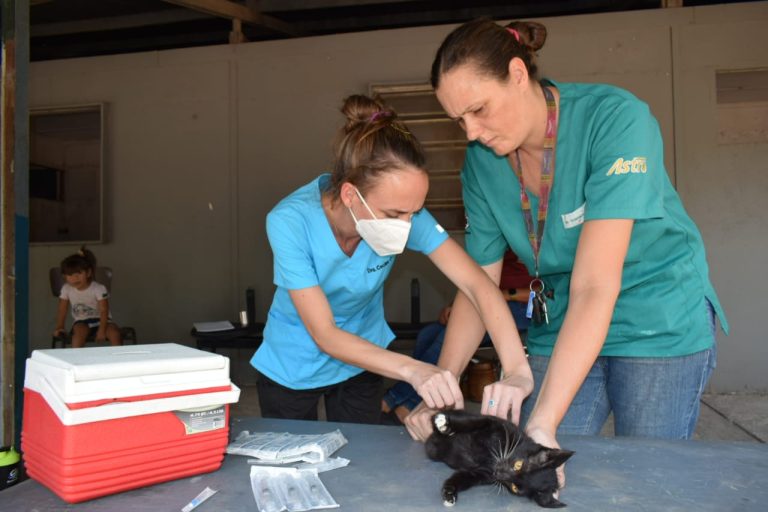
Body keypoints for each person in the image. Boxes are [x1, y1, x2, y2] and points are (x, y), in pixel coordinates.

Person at [406, 17, 729, 466]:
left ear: (518, 74)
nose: (471, 133)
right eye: (459, 119)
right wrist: (441, 386)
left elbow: (595, 285)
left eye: (479, 110)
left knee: (647, 472)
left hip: (655, 316)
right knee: (528, 463)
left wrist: (544, 421)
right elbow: (477, 285)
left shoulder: (615, 120)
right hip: (561, 318)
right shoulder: (481, 162)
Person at [250, 94, 532, 425]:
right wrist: (414, 370)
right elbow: (324, 333)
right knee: (294, 455)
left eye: (414, 212)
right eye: (394, 214)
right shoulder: (290, 222)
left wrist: (516, 369)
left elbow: (477, 284)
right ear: (350, 195)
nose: (407, 225)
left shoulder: (405, 211)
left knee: (364, 452)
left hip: (365, 360)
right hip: (292, 364)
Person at [381, 250, 532, 423]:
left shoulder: (532, 250)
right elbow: (474, 283)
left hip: (523, 306)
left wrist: (505, 295)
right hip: (487, 300)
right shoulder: (493, 249)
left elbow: (543, 290)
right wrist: (454, 306)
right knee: (428, 333)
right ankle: (415, 399)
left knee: (444, 339)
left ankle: (401, 401)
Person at [53, 246, 123, 348]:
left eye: (78, 274)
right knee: (78, 335)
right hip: (81, 321)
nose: (75, 278)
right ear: (64, 276)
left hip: (103, 321)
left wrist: (102, 330)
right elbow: (62, 309)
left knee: (115, 333)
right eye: (70, 275)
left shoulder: (98, 288)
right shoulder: (66, 289)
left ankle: (118, 357)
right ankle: (77, 357)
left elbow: (104, 310)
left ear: (88, 272)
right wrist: (60, 327)